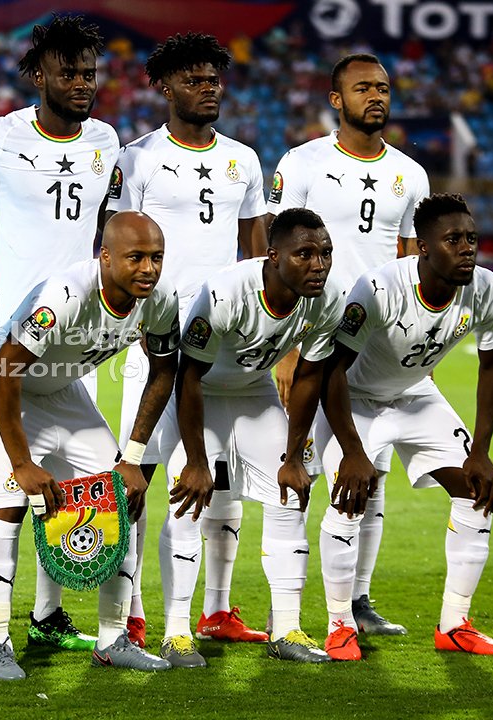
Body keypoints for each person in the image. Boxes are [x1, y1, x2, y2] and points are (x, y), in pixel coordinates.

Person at [0, 13, 119, 658]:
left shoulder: (106, 140)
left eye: (89, 73)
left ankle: (48, 614)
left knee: (73, 485)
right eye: (68, 72)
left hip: (72, 344)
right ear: (38, 75)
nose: (81, 83)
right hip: (4, 334)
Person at [107, 32, 268, 650]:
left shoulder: (243, 159)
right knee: (140, 473)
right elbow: (115, 243)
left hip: (222, 339)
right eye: (194, 80)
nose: (208, 89)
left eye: (213, 79)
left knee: (219, 475)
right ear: (165, 87)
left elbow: (257, 251)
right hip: (153, 338)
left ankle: (216, 610)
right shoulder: (136, 159)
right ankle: (131, 612)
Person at [0, 210, 178, 680]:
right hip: (5, 388)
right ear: (105, 257)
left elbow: (165, 369)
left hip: (63, 392)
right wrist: (21, 462)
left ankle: (113, 639)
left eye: (156, 257)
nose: (148, 268)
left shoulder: (160, 297)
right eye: (136, 257)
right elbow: (4, 370)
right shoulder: (65, 296)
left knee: (121, 499)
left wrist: (132, 459)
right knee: (7, 503)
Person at [267, 53, 430, 635]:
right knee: (296, 470)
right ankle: (284, 612)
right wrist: (284, 346)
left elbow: (410, 263)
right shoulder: (302, 163)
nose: (376, 96)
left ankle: (358, 601)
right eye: (363, 88)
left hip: (376, 345)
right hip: (311, 335)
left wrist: (415, 344)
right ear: (336, 99)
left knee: (370, 474)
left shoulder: (411, 174)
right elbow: (273, 255)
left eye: (383, 87)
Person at [167, 208, 374, 665]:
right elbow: (189, 376)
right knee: (186, 501)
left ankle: (287, 628)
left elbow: (310, 375)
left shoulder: (329, 297)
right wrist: (197, 462)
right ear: (273, 256)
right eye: (305, 254)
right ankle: (175, 632)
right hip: (198, 393)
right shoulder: (226, 292)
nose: (319, 265)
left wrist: (294, 456)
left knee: (291, 495)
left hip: (253, 391)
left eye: (325, 253)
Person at [316, 193, 493, 659]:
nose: (467, 248)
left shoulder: (485, 287)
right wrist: (353, 451)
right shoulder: (379, 289)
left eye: (471, 238)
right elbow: (331, 371)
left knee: (477, 490)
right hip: (355, 399)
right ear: (422, 246)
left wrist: (480, 451)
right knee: (349, 497)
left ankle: (455, 624)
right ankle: (340, 624)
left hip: (415, 394)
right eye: (453, 240)